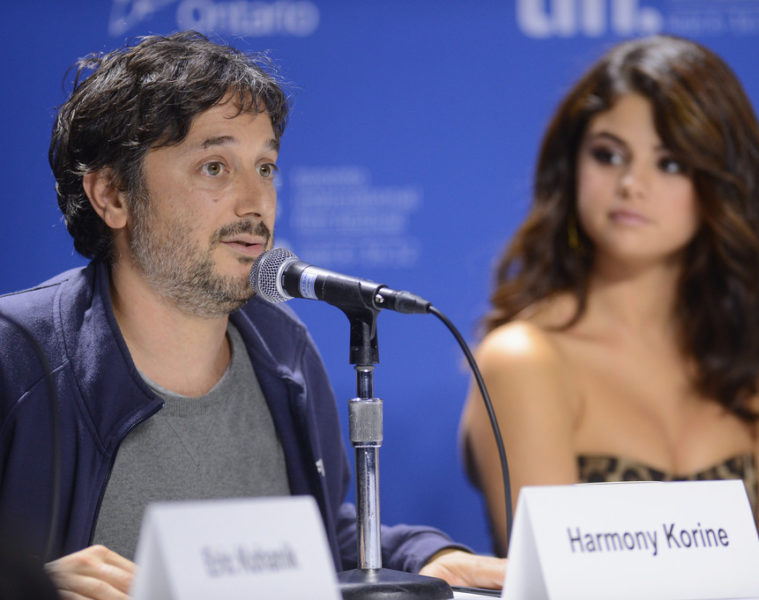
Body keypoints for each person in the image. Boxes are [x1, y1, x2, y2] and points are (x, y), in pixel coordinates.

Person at [0, 31, 505, 598]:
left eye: (265, 168)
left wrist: (424, 557)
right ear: (112, 195)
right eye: (215, 167)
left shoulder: (283, 349)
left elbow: (307, 539)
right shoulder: (18, 355)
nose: (256, 202)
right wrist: (27, 587)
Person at [460, 34, 759, 557]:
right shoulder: (526, 360)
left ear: (722, 183)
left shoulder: (743, 353)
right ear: (570, 167)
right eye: (608, 155)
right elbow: (552, 578)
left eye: (670, 163)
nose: (631, 184)